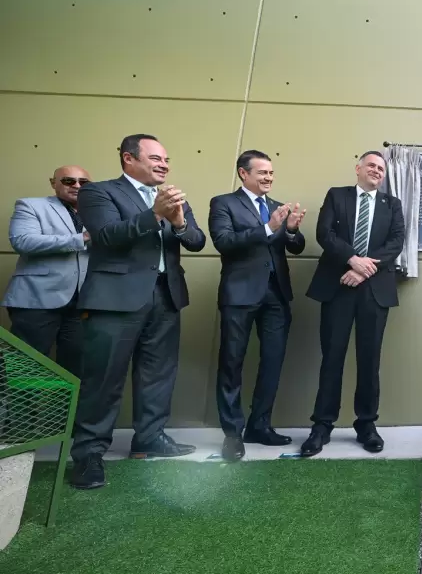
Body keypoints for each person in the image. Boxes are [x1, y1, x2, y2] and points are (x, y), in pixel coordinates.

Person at [69, 134, 206, 490]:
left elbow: (196, 241)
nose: (165, 164)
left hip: (166, 296)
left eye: (166, 159)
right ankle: (88, 454)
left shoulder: (173, 197)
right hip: (115, 299)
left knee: (158, 374)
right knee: (103, 379)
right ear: (129, 159)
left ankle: (149, 439)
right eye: (156, 158)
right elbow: (107, 235)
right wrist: (154, 214)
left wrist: (178, 222)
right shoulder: (98, 192)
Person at [301, 151, 405, 456]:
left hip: (374, 291)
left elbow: (396, 242)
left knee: (370, 360)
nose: (376, 171)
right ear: (358, 168)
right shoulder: (337, 196)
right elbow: (324, 233)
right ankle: (322, 426)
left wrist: (363, 269)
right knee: (332, 357)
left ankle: (367, 425)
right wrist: (352, 260)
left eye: (381, 168)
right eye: (371, 165)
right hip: (337, 287)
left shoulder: (392, 204)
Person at [208, 150, 308, 462]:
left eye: (271, 173)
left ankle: (259, 425)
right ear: (243, 173)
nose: (268, 178)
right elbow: (223, 241)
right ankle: (233, 434)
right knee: (232, 364)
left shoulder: (278, 207)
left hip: (276, 296)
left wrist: (290, 228)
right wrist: (267, 227)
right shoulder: (223, 203)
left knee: (273, 362)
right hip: (239, 295)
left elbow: (296, 246)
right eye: (262, 172)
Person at [2, 166, 92, 377]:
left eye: (83, 182)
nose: (77, 186)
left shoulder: (97, 211)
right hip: (35, 301)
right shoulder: (31, 205)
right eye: (69, 181)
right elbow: (23, 241)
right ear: (53, 183)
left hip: (82, 304)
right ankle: (22, 412)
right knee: (26, 370)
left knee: (74, 371)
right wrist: (82, 239)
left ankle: (67, 412)